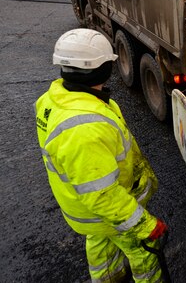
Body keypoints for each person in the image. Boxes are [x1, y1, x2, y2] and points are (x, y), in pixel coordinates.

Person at [35, 29, 167, 282]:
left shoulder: (53, 100)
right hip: (107, 214)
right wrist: (145, 225)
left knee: (99, 243)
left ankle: (109, 276)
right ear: (103, 69)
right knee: (144, 253)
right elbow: (103, 195)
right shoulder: (85, 128)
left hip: (85, 212)